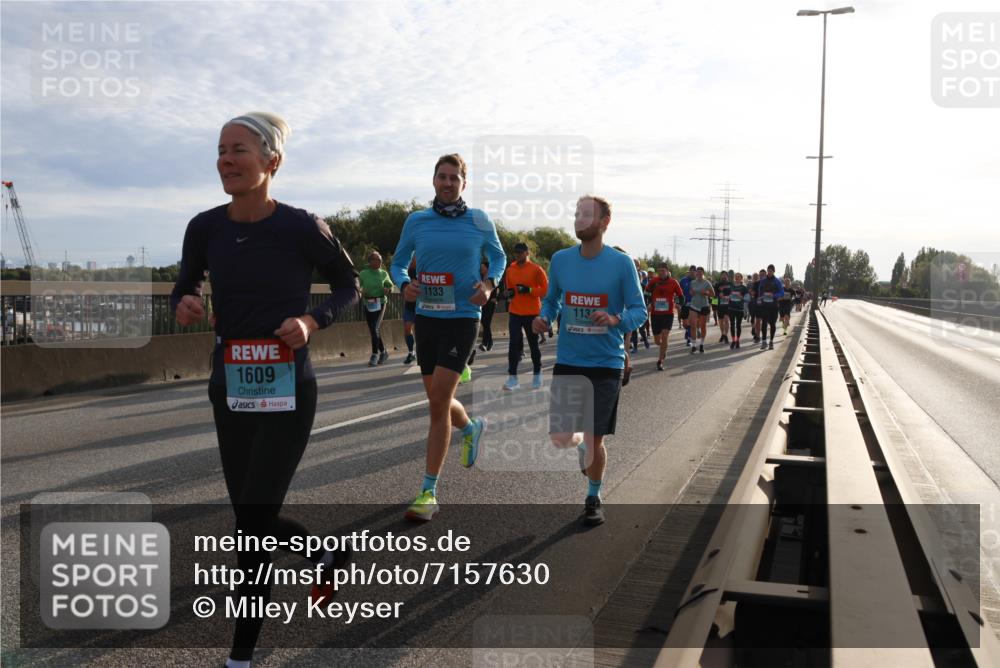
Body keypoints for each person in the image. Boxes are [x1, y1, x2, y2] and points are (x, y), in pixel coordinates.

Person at [171, 112, 359, 668]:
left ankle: (240, 657)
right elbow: (185, 283)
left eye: (239, 150)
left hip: (288, 390)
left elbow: (348, 284)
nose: (225, 160)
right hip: (230, 386)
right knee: (252, 520)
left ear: (271, 161)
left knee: (251, 530)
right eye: (220, 150)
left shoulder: (302, 226)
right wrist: (185, 301)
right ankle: (324, 555)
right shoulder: (204, 227)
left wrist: (311, 321)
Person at [390, 153, 506, 522]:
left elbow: (499, 258)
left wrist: (488, 285)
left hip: (463, 317)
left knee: (438, 401)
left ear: (464, 184)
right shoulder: (417, 221)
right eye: (442, 176)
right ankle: (471, 428)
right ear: (434, 180)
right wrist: (404, 284)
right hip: (427, 318)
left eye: (454, 177)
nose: (447, 182)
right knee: (438, 400)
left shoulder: (479, 220)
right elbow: (397, 262)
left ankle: (428, 492)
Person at [533, 195, 646, 526]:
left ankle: (593, 497)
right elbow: (552, 300)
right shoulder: (561, 260)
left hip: (606, 362)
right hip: (569, 360)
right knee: (563, 437)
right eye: (577, 214)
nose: (579, 219)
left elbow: (639, 310)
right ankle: (580, 443)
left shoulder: (621, 264)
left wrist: (615, 320)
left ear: (604, 222)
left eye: (587, 215)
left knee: (596, 436)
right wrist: (544, 317)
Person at [503, 242, 548, 390]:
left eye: (521, 252)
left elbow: (545, 290)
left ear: (527, 253)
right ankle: (512, 378)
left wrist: (529, 290)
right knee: (513, 345)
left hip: (532, 313)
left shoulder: (536, 269)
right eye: (516, 252)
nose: (518, 255)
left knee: (533, 345)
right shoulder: (510, 269)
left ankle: (537, 373)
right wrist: (508, 293)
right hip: (515, 312)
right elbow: (509, 289)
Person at [644, 264, 684, 370]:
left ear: (667, 271)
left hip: (668, 314)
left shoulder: (673, 282)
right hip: (655, 314)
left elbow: (681, 296)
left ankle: (660, 360)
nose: (661, 272)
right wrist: (648, 303)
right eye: (659, 271)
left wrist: (679, 304)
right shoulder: (653, 281)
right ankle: (663, 347)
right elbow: (646, 293)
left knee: (665, 335)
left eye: (663, 270)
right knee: (657, 341)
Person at [359, 250, 393, 366]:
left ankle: (374, 354)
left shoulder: (383, 273)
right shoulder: (363, 273)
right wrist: (360, 291)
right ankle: (383, 352)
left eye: (380, 260)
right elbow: (358, 285)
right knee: (373, 329)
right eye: (376, 259)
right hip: (368, 302)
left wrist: (388, 289)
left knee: (375, 328)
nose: (379, 262)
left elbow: (390, 285)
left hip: (380, 302)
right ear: (370, 261)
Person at [757, 264, 785, 350]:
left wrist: (773, 295)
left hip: (774, 306)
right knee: (764, 323)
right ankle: (764, 341)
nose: (769, 272)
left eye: (771, 271)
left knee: (772, 324)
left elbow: (782, 293)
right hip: (765, 305)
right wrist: (760, 298)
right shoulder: (763, 281)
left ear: (773, 271)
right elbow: (760, 291)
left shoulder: (777, 281)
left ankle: (771, 341)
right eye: (768, 271)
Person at [687, 267, 715, 354]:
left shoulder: (707, 282)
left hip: (704, 305)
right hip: (694, 305)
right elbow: (691, 292)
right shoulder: (693, 282)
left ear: (703, 273)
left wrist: (706, 293)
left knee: (703, 326)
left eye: (700, 272)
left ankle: (702, 344)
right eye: (697, 272)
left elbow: (713, 294)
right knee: (693, 325)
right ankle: (693, 345)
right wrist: (691, 293)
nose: (698, 273)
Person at [478, 260, 497, 352]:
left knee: (486, 322)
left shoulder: (492, 276)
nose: (481, 269)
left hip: (491, 303)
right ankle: (490, 342)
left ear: (487, 268)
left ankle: (485, 343)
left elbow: (498, 287)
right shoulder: (480, 277)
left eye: (483, 267)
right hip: (482, 302)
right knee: (484, 323)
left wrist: (496, 298)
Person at [401, 257, 418, 364]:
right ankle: (411, 352)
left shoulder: (425, 268)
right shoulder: (407, 271)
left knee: (420, 331)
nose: (412, 261)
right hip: (409, 305)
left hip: (423, 306)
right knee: (407, 329)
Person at [727, 273, 749, 349]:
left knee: (738, 325)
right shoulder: (731, 286)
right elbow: (728, 295)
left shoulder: (744, 288)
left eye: (738, 277)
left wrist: (741, 297)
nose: (737, 278)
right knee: (732, 325)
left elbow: (748, 299)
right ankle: (733, 341)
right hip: (731, 308)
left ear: (741, 278)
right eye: (736, 277)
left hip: (739, 309)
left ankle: (738, 341)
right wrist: (729, 297)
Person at [679, 265, 695, 347]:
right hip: (685, 304)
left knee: (691, 321)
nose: (692, 272)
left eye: (694, 270)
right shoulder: (683, 281)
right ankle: (688, 330)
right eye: (691, 270)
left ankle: (689, 339)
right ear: (689, 271)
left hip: (694, 304)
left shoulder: (698, 281)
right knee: (685, 324)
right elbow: (678, 292)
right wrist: (678, 302)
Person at [714, 271, 733, 344]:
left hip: (728, 305)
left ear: (727, 276)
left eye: (725, 275)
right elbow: (714, 295)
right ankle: (723, 334)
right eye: (722, 275)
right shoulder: (717, 284)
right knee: (721, 321)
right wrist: (714, 306)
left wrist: (729, 297)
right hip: (720, 305)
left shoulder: (730, 284)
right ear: (721, 276)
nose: (724, 276)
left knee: (726, 320)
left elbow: (733, 293)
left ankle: (725, 335)